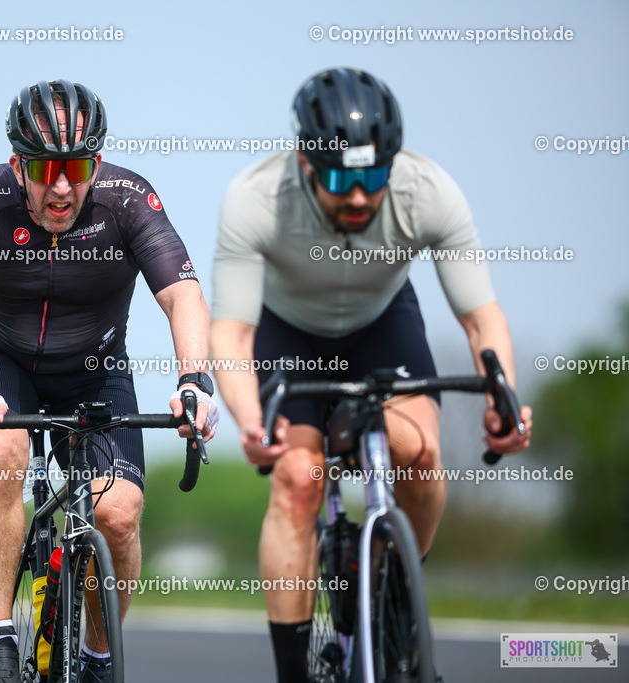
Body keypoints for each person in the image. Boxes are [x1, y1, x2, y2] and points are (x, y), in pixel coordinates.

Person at [209, 67, 533, 680]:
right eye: (339, 180)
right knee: (298, 481)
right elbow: (232, 332)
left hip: (382, 326)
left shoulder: (429, 191)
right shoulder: (254, 197)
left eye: (373, 178)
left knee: (419, 453)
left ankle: (394, 600)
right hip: (288, 333)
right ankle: (293, 671)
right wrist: (251, 420)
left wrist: (505, 397)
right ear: (305, 164)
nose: (358, 197)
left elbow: (479, 318)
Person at [0, 79, 217, 683]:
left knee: (117, 512)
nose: (62, 186)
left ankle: (96, 654)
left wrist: (195, 379)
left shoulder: (128, 199)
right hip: (1, 363)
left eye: (78, 167)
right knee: (4, 451)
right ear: (18, 164)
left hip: (96, 368)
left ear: (98, 161)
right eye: (44, 169)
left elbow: (183, 294)